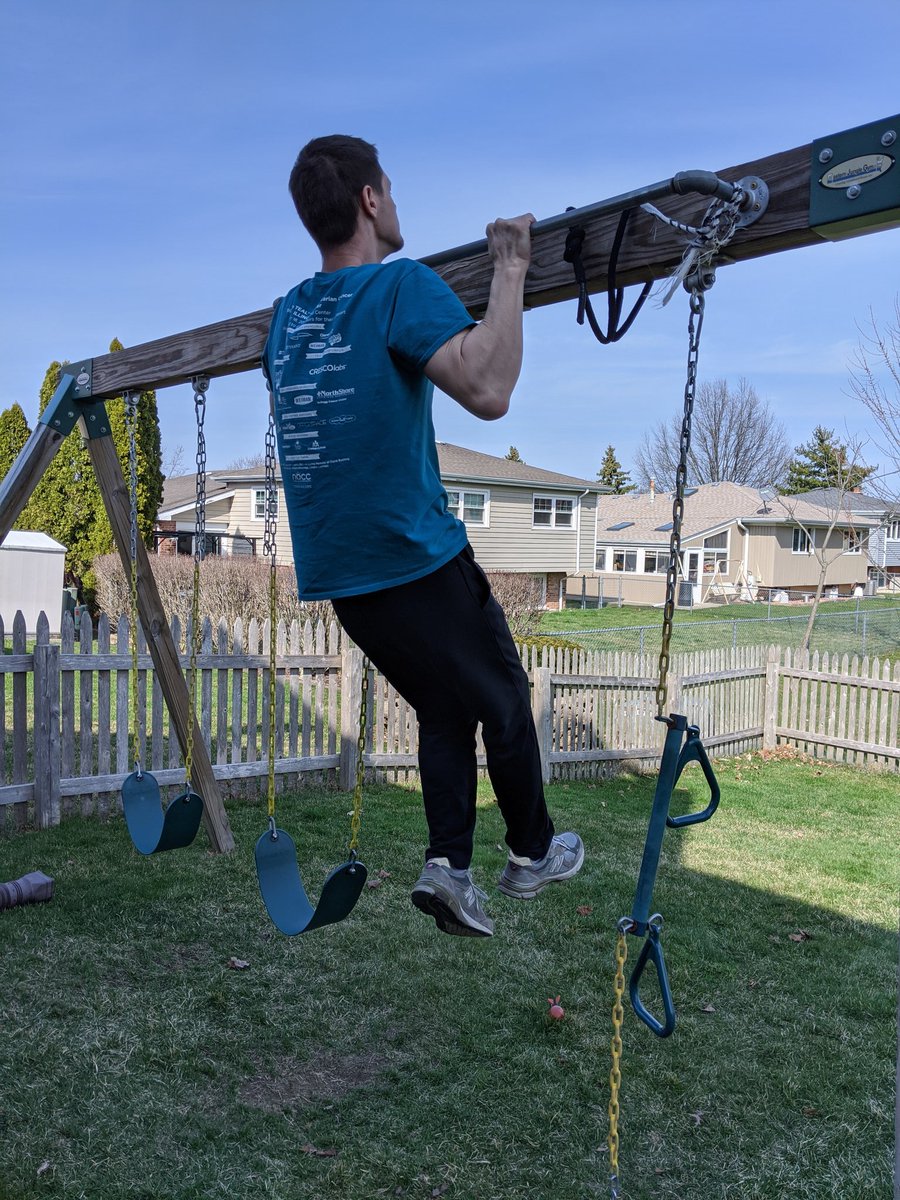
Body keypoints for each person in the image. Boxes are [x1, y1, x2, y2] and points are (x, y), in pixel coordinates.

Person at [263, 135, 583, 937]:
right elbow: (488, 387)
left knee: (445, 709)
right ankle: (533, 851)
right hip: (415, 557)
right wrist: (510, 267)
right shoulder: (398, 286)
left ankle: (449, 869)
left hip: (345, 580)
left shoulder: (287, 316)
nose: (397, 203)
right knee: (504, 698)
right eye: (392, 189)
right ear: (370, 200)